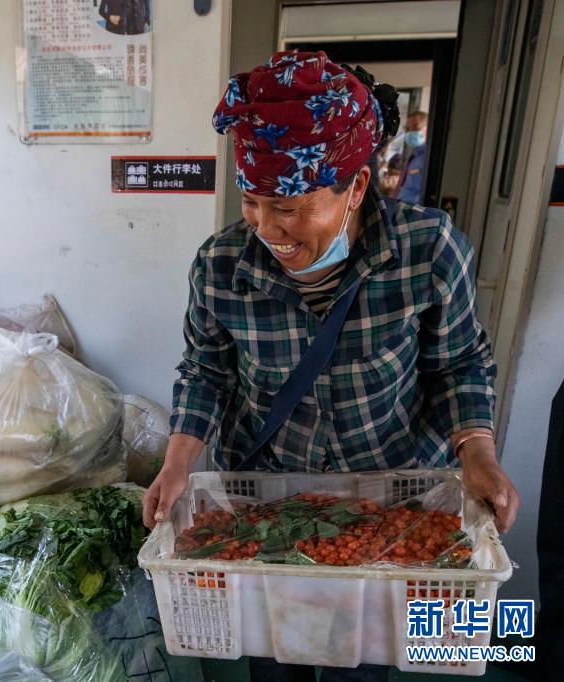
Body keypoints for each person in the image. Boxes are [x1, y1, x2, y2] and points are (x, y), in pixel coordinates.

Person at [142, 50, 520, 682]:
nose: (268, 229)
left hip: (385, 499)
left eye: (290, 209)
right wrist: (178, 462)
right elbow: (206, 370)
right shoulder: (220, 265)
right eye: (253, 202)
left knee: (360, 655)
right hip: (268, 501)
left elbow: (459, 364)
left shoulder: (428, 252)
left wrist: (477, 453)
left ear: (358, 187)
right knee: (273, 648)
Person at [396, 111, 428, 204]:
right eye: (407, 129)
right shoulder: (413, 156)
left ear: (428, 129)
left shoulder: (426, 159)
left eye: (415, 128)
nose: (410, 132)